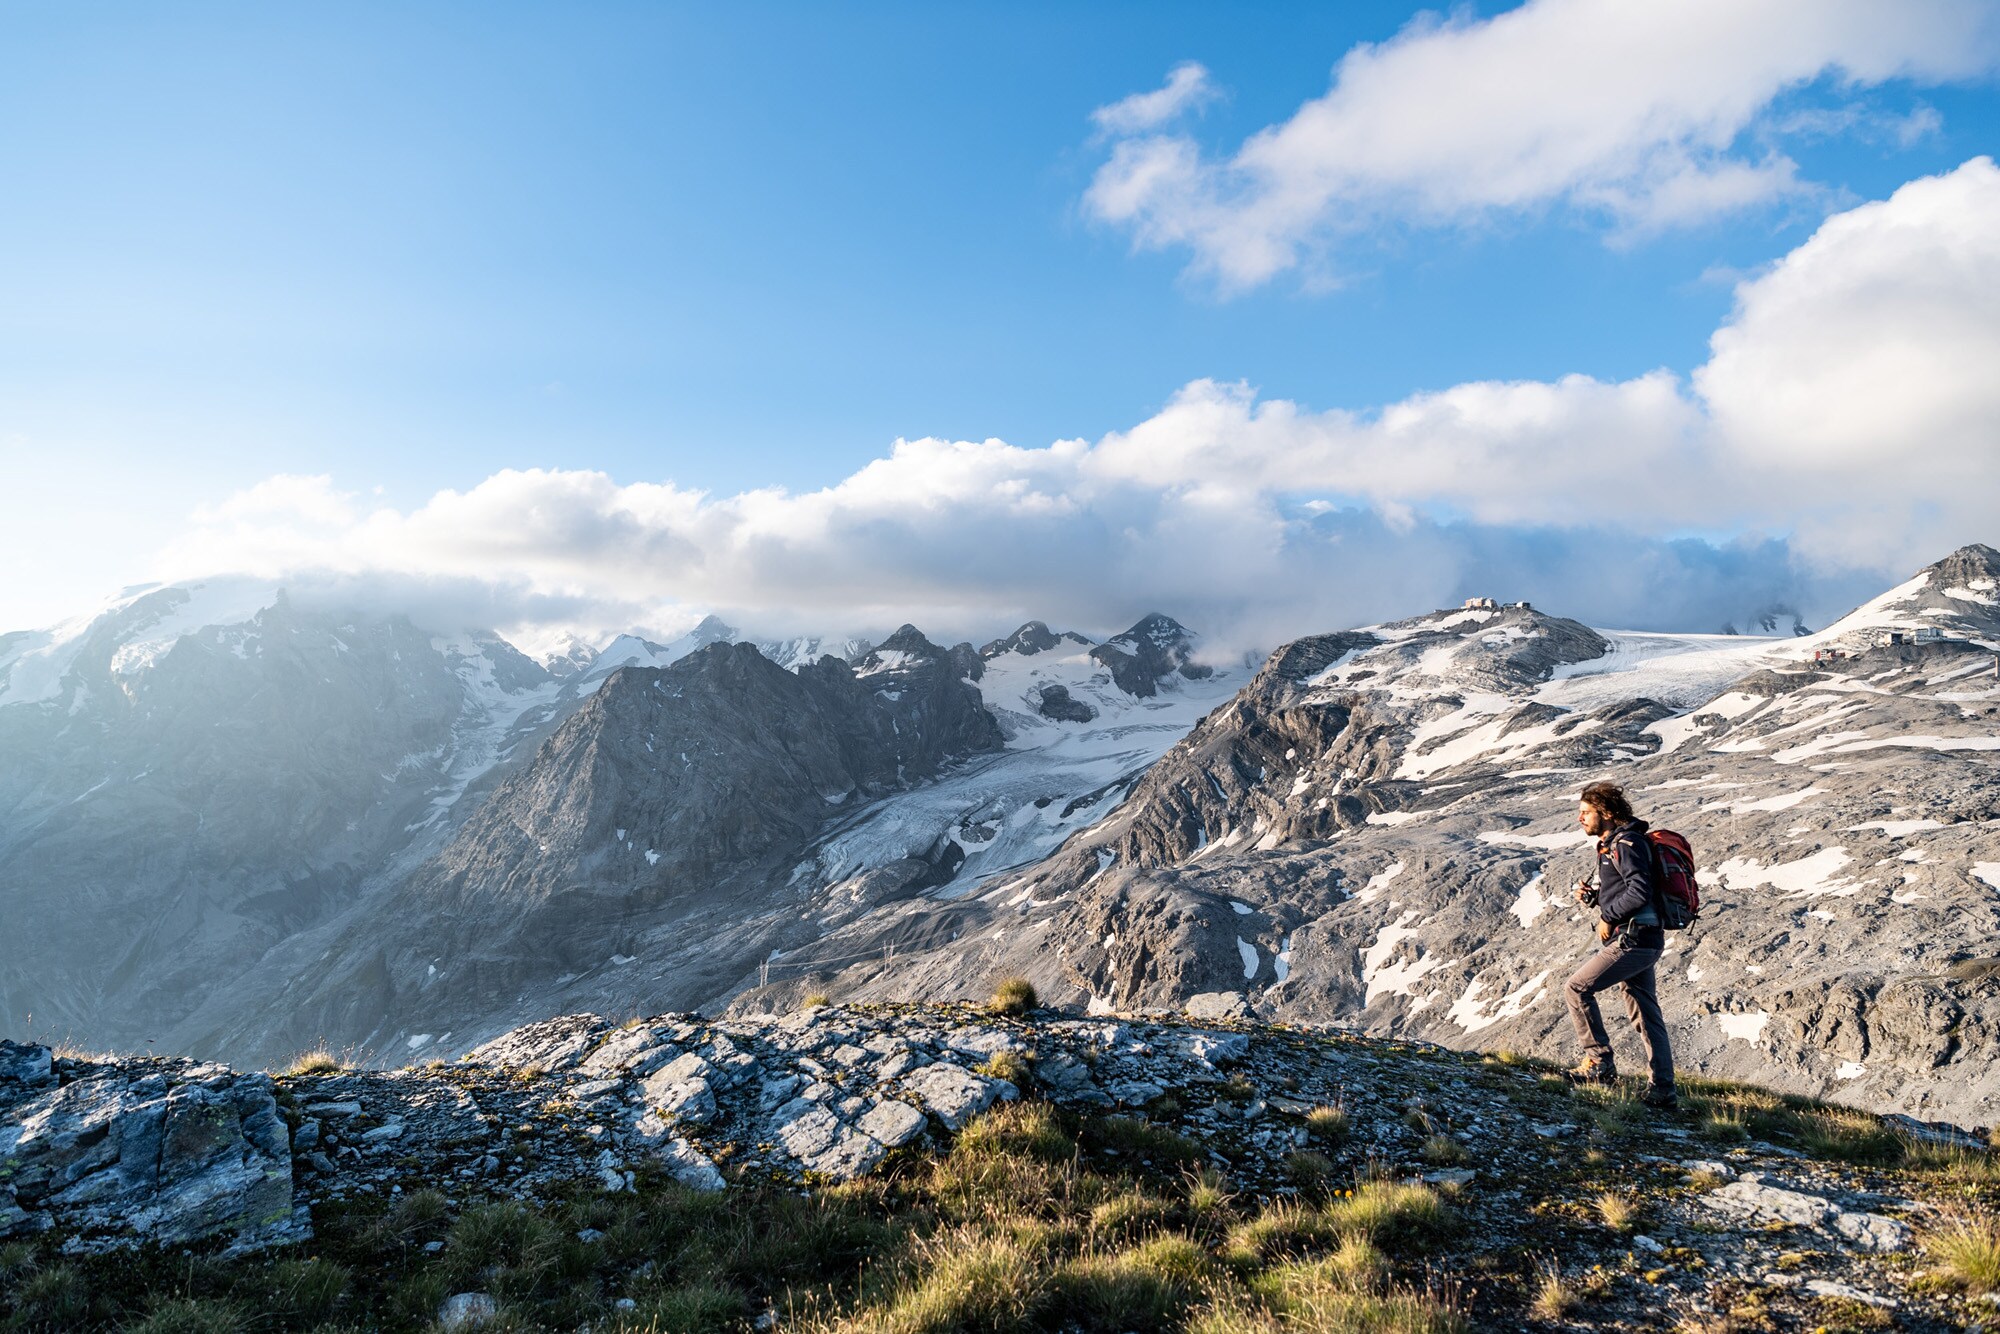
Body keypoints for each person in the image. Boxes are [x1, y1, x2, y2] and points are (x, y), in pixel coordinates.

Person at [1564, 780, 1677, 1108]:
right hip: (1641, 937)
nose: (1580, 819)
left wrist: (1607, 916)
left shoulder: (1626, 842)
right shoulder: (1616, 842)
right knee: (1645, 1011)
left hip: (1634, 938)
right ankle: (1663, 1090)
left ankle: (1599, 1063)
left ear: (1607, 812)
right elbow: (1629, 889)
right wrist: (1596, 898)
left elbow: (1639, 890)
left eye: (1586, 812)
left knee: (1576, 988)